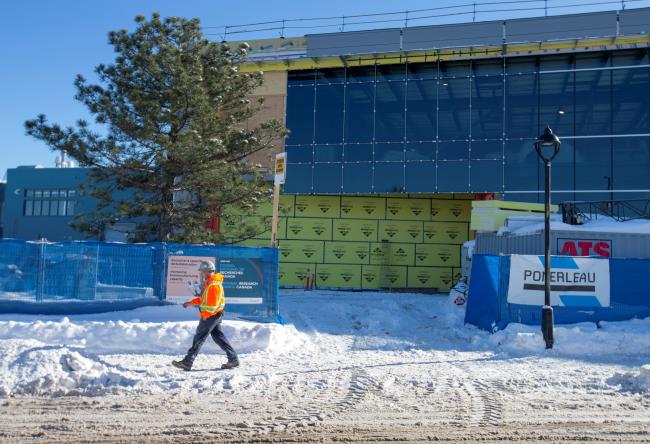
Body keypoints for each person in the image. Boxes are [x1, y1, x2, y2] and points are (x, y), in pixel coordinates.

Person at [172, 260, 239, 371]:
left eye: (202, 272)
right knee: (218, 337)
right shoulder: (210, 283)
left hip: (210, 315)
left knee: (199, 337)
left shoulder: (213, 285)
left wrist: (205, 316)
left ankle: (187, 362)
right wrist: (190, 303)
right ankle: (233, 359)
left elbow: (212, 305)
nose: (201, 274)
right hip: (214, 315)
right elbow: (204, 300)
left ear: (208, 271)